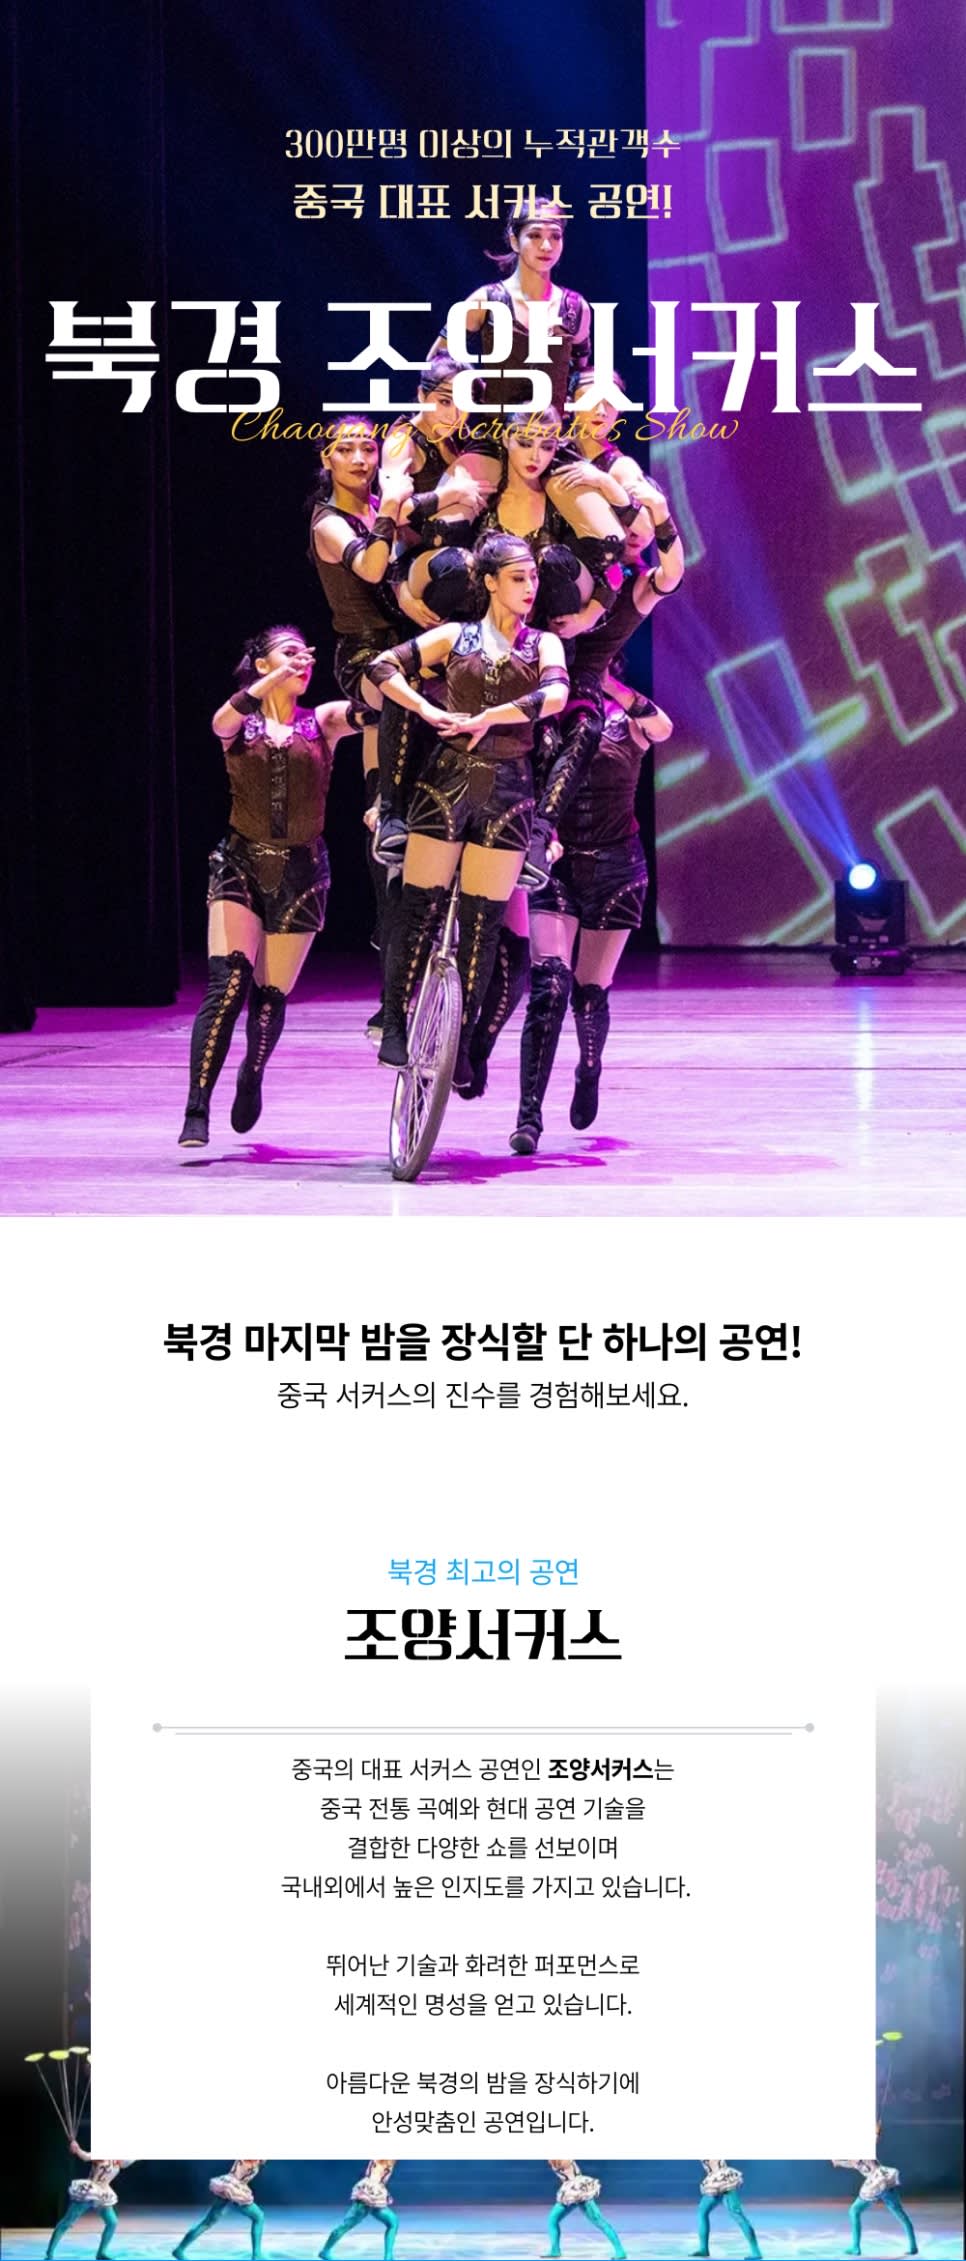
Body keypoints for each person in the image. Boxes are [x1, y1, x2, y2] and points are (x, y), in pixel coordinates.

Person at [363, 533, 569, 1090]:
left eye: (533, 578)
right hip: (448, 782)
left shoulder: (544, 644)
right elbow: (382, 667)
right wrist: (426, 708)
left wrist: (490, 717)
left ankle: (461, 1033)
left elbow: (555, 697)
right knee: (420, 907)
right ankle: (395, 1022)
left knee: (482, 924)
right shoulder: (456, 636)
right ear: (491, 582)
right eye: (518, 578)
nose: (530, 588)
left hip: (509, 790)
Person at [178, 627, 363, 1148]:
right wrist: (272, 680)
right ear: (261, 664)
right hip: (239, 863)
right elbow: (221, 721)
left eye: (305, 655)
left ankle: (252, 1073)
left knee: (269, 996)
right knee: (228, 984)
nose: (301, 661)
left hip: (303, 873)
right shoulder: (241, 724)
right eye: (288, 653)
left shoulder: (320, 721)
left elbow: (368, 712)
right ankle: (197, 1107)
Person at [510, 673, 672, 1156]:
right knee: (549, 986)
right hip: (556, 866)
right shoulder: (546, 720)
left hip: (617, 868)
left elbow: (663, 728)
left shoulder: (627, 721)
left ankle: (589, 1068)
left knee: (589, 993)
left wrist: (611, 687)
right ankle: (528, 1115)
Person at [426, 199, 592, 422]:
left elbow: (581, 373)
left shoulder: (575, 308)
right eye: (534, 235)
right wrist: (474, 387)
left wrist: (571, 399)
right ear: (515, 240)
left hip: (550, 436)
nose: (546, 246)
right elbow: (436, 359)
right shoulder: (486, 300)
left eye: (555, 236)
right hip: (495, 433)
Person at [46, 2142, 133, 2261]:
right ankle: (50, 2252)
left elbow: (130, 2160)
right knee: (67, 2221)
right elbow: (86, 2156)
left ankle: (101, 2252)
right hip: (90, 2191)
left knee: (112, 2222)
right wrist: (77, 2149)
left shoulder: (118, 2161)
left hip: (103, 2193)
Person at [173, 2162, 267, 2261]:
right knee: (259, 2217)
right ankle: (257, 2255)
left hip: (229, 2186)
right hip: (233, 2188)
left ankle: (179, 2250)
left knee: (208, 2221)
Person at [831, 2159, 919, 2256]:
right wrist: (839, 2162)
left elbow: (858, 2161)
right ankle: (913, 2247)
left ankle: (855, 2247)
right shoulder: (857, 2161)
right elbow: (853, 2164)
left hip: (877, 2181)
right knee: (900, 2214)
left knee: (854, 2211)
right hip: (885, 2180)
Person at [543, 2160, 626, 2260]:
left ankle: (620, 2251)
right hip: (569, 2193)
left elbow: (564, 2164)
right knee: (552, 2219)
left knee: (600, 2222)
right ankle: (555, 2250)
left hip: (579, 2190)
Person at [318, 2162, 398, 2259]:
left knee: (393, 2221)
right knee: (346, 2225)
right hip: (370, 2193)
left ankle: (388, 2257)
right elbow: (374, 2175)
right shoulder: (384, 2160)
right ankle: (325, 2251)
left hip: (374, 2194)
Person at [691, 2163, 761, 2259]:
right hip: (716, 2180)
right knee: (702, 2211)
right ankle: (703, 2249)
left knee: (737, 2214)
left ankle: (756, 2252)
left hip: (722, 2180)